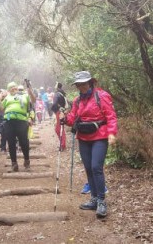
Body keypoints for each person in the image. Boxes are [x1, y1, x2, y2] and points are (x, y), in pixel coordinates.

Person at [60, 71, 117, 218]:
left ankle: (102, 201)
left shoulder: (101, 96)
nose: (82, 86)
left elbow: (110, 116)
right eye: (79, 84)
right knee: (88, 168)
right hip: (84, 137)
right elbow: (73, 118)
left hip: (100, 136)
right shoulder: (78, 101)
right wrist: (65, 119)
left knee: (96, 167)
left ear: (90, 82)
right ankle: (93, 199)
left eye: (84, 83)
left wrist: (111, 133)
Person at [1, 81, 35, 172]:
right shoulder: (7, 97)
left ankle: (27, 161)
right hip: (8, 121)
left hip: (21, 121)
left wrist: (30, 91)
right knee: (11, 143)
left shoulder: (24, 96)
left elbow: (33, 100)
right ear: (8, 89)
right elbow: (1, 108)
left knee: (24, 142)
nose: (13, 88)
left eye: (14, 87)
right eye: (11, 87)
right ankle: (14, 163)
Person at [51, 82, 67, 151]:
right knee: (60, 128)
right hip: (62, 111)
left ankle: (62, 145)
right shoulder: (62, 94)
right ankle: (62, 144)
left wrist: (53, 109)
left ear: (57, 86)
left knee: (58, 129)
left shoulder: (57, 94)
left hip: (59, 112)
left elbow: (54, 103)